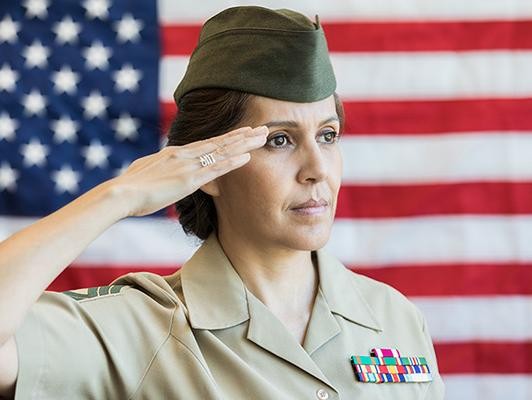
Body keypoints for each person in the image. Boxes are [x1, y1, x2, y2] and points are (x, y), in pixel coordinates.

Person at [0, 6, 445, 399]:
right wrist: (122, 194)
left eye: (327, 136)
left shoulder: (394, 318)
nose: (317, 169)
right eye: (280, 140)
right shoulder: (141, 327)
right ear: (209, 168)